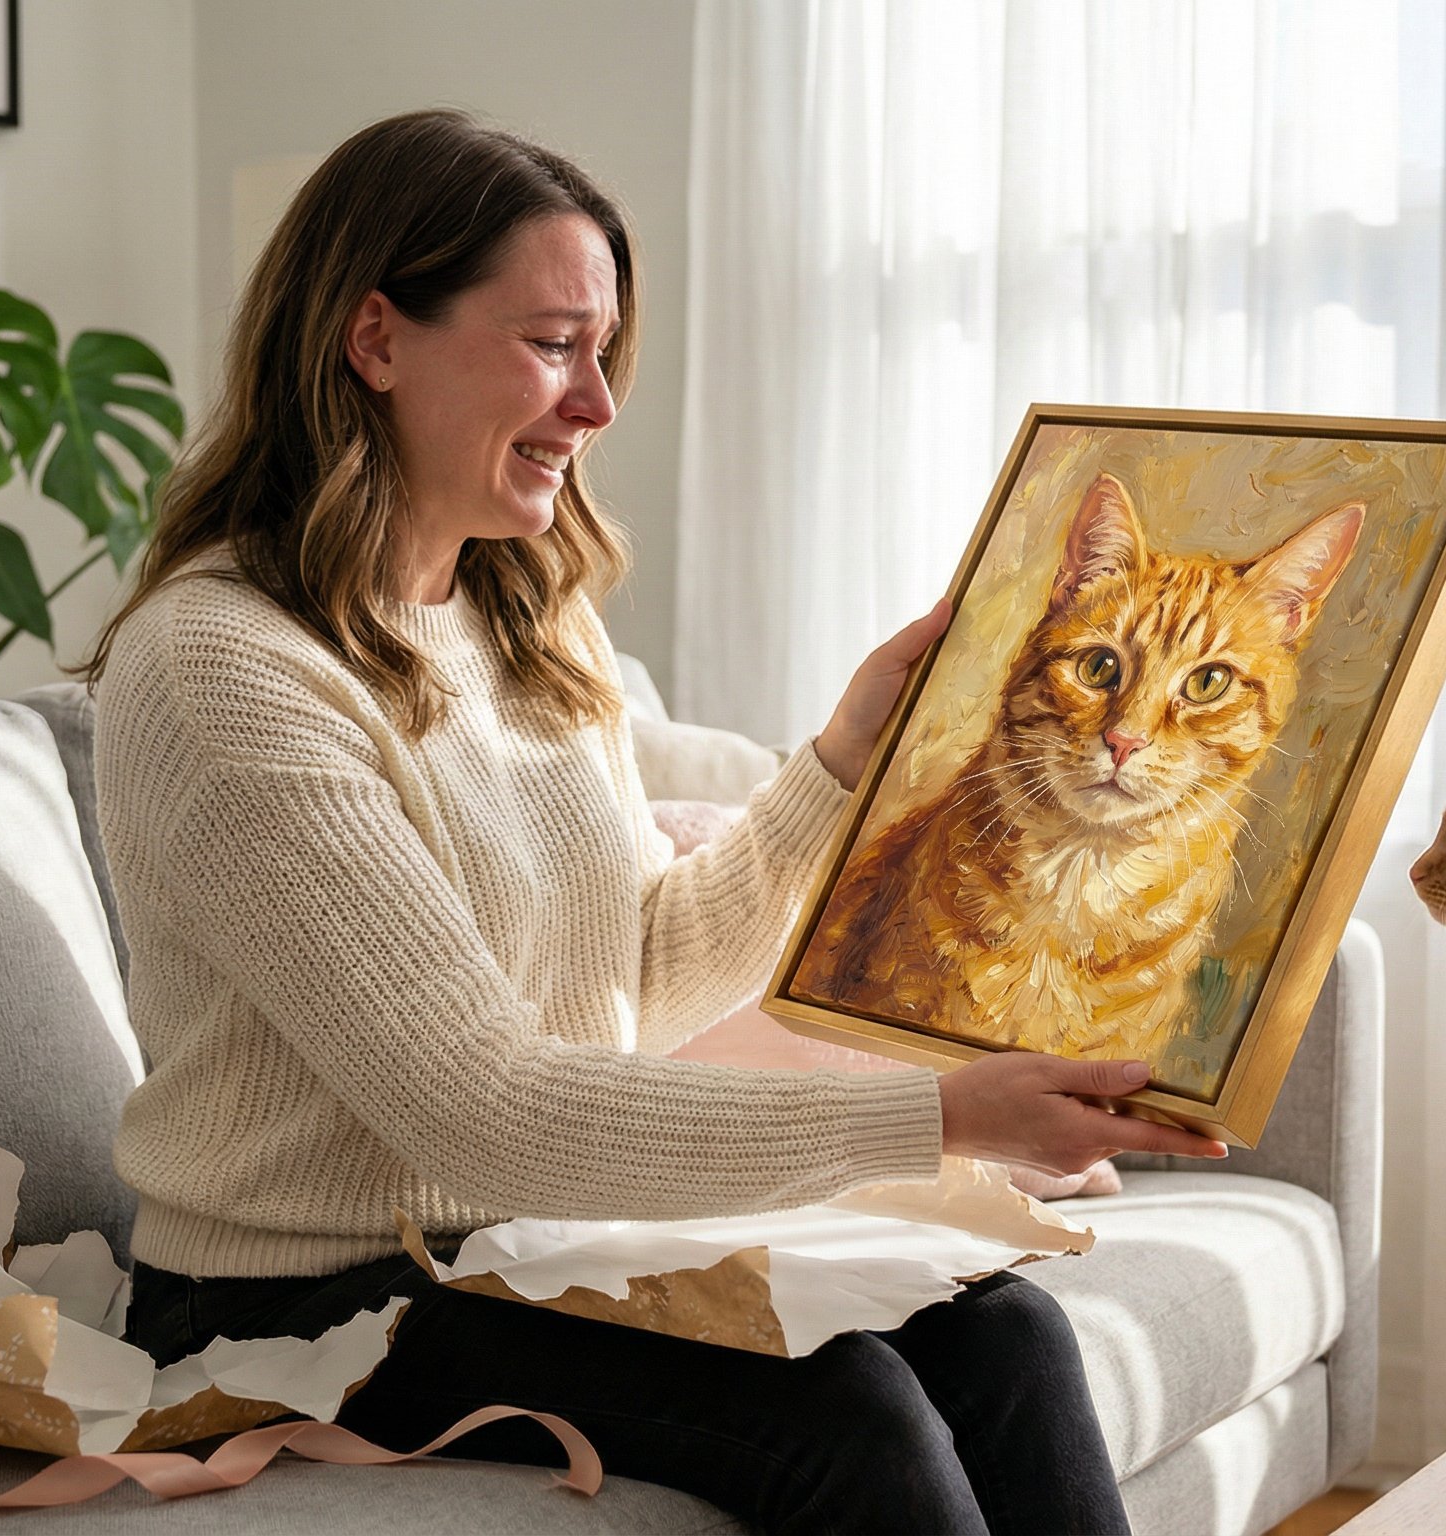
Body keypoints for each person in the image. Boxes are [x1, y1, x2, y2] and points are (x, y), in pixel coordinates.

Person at [75, 108, 1227, 1535]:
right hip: (292, 1304)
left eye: (603, 352)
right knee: (848, 1414)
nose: (598, 405)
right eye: (553, 345)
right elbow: (483, 1108)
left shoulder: (531, 619)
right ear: (375, 340)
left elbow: (629, 989)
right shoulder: (221, 665)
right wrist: (935, 1118)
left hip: (513, 1250)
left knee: (1005, 1336)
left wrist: (842, 766)